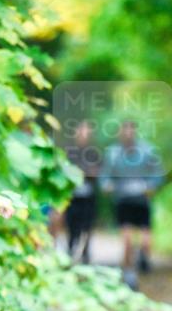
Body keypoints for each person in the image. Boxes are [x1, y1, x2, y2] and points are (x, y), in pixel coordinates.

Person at [100, 120, 164, 289]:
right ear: (120, 133)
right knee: (127, 239)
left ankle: (143, 258)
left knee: (145, 242)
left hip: (141, 201)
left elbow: (158, 174)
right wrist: (107, 185)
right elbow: (104, 176)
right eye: (124, 130)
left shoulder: (147, 150)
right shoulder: (112, 153)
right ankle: (128, 272)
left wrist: (152, 186)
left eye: (130, 130)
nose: (127, 134)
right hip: (123, 201)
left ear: (135, 132)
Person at [64, 120, 100, 264]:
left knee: (87, 226)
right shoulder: (68, 151)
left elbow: (97, 173)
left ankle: (85, 253)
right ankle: (71, 251)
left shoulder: (94, 153)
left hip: (88, 197)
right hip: (72, 197)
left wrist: (84, 173)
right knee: (72, 226)